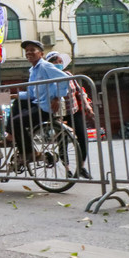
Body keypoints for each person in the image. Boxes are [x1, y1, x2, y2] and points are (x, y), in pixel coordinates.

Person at [8, 40, 69, 164]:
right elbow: (31, 94)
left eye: (32, 50)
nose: (29, 53)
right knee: (17, 103)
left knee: (17, 121)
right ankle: (11, 135)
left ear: (41, 53)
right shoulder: (33, 70)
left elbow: (65, 79)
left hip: (45, 107)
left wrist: (57, 97)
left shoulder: (45, 66)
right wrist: (14, 95)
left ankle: (30, 153)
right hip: (37, 102)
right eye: (27, 51)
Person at [45, 50, 92, 178]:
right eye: (54, 61)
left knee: (82, 137)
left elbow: (79, 91)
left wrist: (87, 105)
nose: (58, 62)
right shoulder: (48, 77)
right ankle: (68, 170)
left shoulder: (68, 74)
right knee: (62, 141)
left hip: (74, 111)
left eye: (59, 60)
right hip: (58, 114)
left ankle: (81, 167)